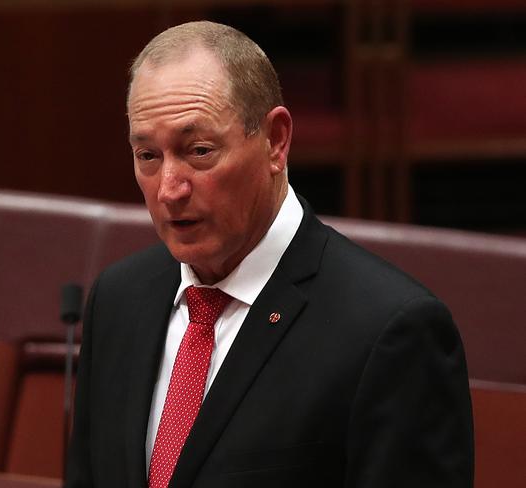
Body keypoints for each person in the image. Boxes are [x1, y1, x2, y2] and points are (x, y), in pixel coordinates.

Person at [66, 21, 473, 488]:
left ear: (276, 140)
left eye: (198, 151)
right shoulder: (118, 300)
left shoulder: (392, 332)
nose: (169, 189)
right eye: (147, 156)